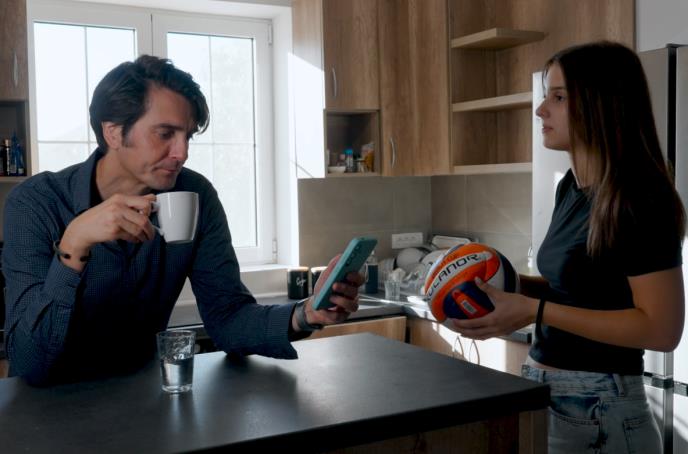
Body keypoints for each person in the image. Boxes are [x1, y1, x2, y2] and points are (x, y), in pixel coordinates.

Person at [2, 55, 363, 386]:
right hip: (46, 412)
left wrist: (304, 314)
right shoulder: (36, 203)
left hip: (143, 405)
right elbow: (28, 360)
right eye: (165, 134)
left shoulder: (195, 196)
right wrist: (73, 245)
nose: (182, 152)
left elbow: (228, 319)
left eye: (187, 136)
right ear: (113, 132)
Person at [452, 41, 685, 453]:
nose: (541, 110)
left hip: (601, 406)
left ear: (602, 105)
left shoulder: (640, 200)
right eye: (547, 96)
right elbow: (578, 290)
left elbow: (662, 329)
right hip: (552, 395)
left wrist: (533, 310)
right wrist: (501, 284)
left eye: (558, 98)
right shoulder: (572, 189)